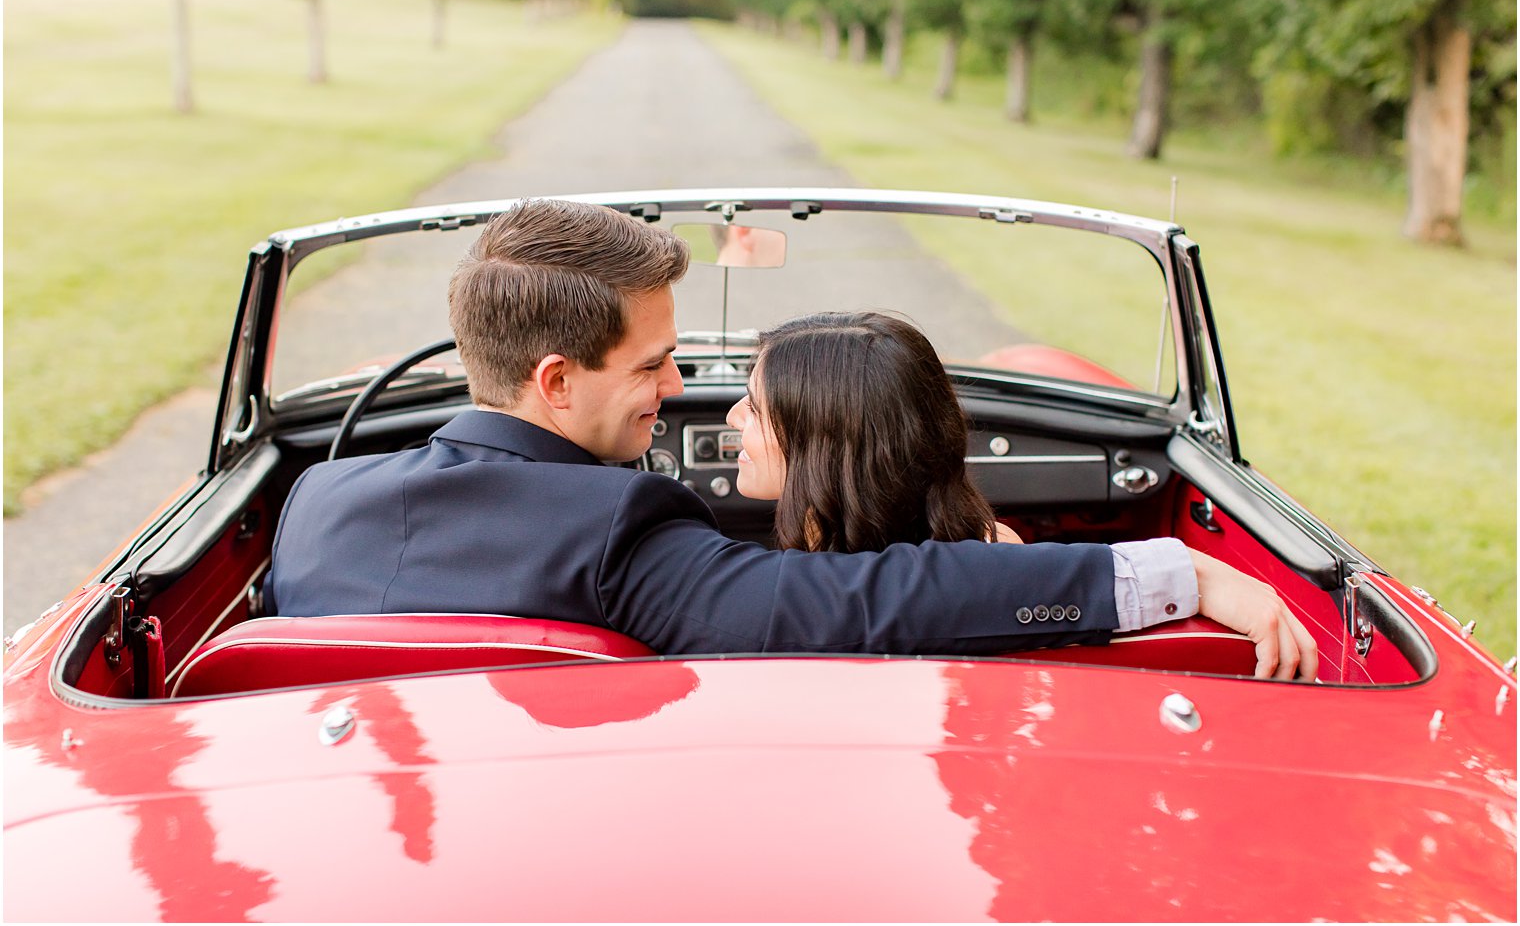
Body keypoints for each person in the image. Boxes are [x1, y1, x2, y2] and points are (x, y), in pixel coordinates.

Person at [267, 198, 1316, 680]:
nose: (680, 391)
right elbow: (858, 600)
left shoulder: (313, 505)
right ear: (553, 381)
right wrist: (1167, 570)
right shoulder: (620, 528)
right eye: (651, 367)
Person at [726, 311, 1023, 551]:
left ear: (827, 447)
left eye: (754, 407)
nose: (732, 417)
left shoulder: (801, 586)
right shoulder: (998, 546)